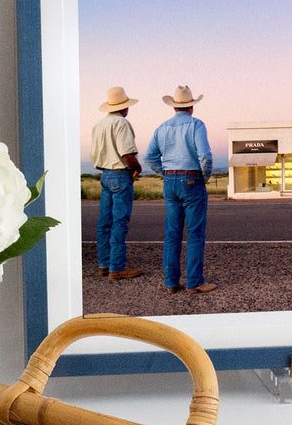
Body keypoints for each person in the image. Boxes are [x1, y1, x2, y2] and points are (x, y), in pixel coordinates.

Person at [145, 85, 216, 294]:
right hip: (192, 179)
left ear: (174, 107)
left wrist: (165, 172)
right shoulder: (196, 125)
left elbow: (149, 157)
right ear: (191, 107)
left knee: (172, 234)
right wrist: (205, 176)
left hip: (170, 181)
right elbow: (205, 156)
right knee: (195, 233)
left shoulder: (162, 128)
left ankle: (171, 282)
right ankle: (194, 282)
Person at [89, 86, 144, 280]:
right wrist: (137, 167)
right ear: (124, 107)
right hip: (120, 175)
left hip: (105, 175)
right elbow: (126, 153)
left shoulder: (99, 125)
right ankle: (117, 267)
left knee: (104, 222)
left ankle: (104, 264)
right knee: (120, 222)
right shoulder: (122, 123)